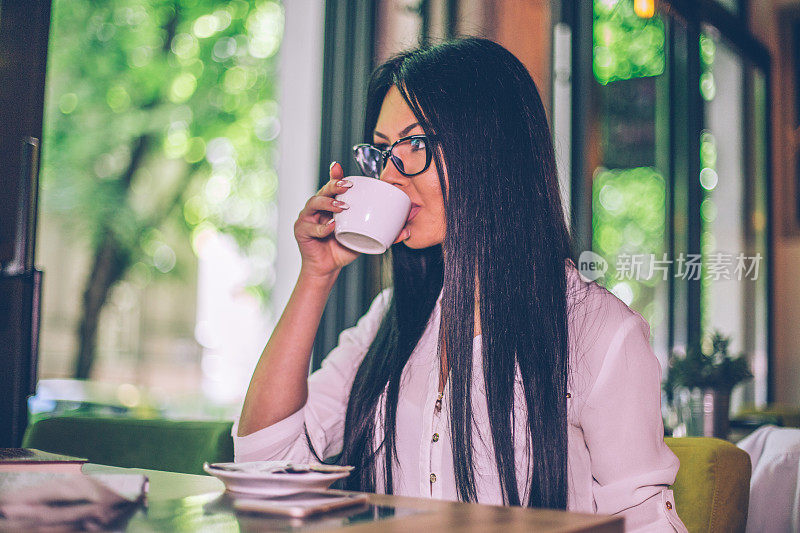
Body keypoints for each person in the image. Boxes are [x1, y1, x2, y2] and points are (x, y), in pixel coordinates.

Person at [234, 37, 688, 532]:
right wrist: (316, 275)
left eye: (414, 145)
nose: (389, 175)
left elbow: (645, 522)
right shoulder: (391, 319)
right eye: (383, 151)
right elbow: (264, 465)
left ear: (490, 148)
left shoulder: (597, 330)